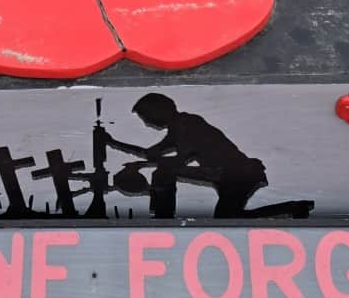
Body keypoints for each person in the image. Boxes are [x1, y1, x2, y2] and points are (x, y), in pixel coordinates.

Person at [108, 92, 276, 217]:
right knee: (229, 218)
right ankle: (288, 209)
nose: (146, 122)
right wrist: (114, 143)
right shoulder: (177, 127)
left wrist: (142, 165)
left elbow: (178, 161)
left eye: (145, 117)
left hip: (234, 174)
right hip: (227, 176)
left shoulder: (187, 124)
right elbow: (151, 154)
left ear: (157, 112)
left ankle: (163, 215)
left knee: (164, 172)